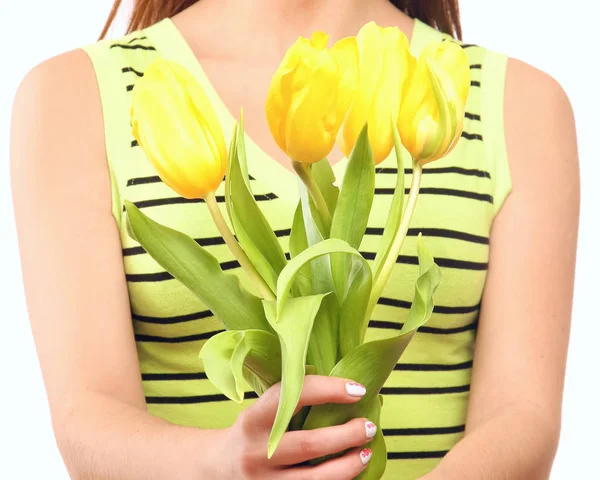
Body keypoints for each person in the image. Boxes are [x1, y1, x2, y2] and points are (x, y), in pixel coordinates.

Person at [10, 0, 579, 478]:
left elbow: (523, 416)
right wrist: (219, 463)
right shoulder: (77, 95)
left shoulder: (515, 103)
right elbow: (88, 414)